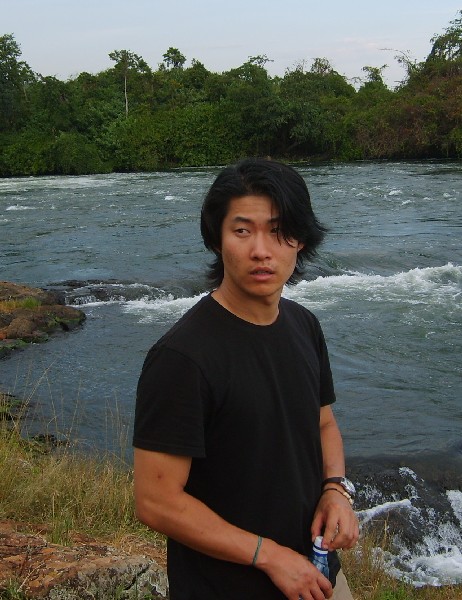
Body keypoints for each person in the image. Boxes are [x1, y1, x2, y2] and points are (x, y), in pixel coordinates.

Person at [133, 158, 359, 600]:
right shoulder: (182, 358)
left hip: (316, 573)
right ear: (217, 239)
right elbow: (156, 501)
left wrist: (335, 489)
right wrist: (270, 557)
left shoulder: (304, 325)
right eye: (242, 230)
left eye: (279, 231)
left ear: (301, 240)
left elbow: (323, 424)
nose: (261, 250)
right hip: (228, 586)